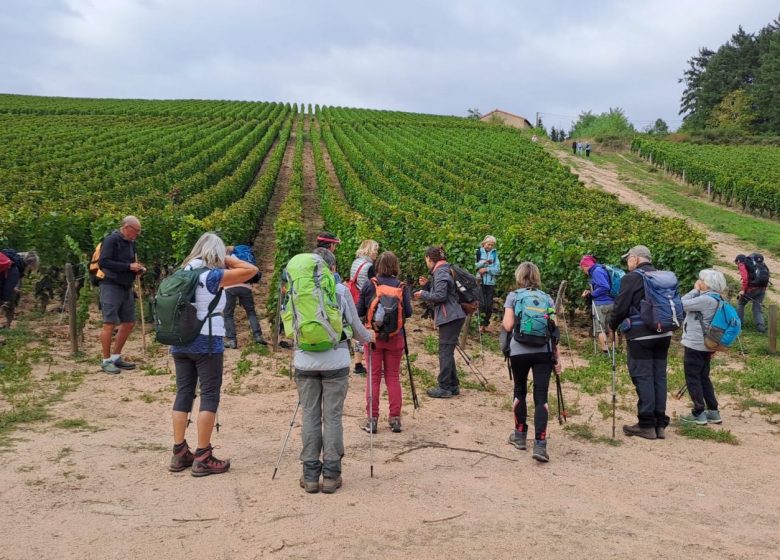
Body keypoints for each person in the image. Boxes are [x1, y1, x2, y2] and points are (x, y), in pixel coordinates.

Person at [168, 232, 259, 477]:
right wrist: (228, 258)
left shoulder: (181, 273)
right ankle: (203, 455)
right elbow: (251, 270)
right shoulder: (212, 276)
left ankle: (179, 451)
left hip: (179, 340)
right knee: (209, 394)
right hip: (206, 340)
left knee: (184, 392)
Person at [295, 247, 374, 494]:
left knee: (309, 416)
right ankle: (330, 475)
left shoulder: (298, 291)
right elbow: (356, 325)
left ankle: (309, 475)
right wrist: (369, 338)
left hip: (305, 363)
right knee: (332, 417)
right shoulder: (339, 290)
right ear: (332, 268)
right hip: (336, 363)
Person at [609, 245, 671, 440]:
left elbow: (621, 306)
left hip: (641, 334)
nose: (628, 263)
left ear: (636, 259)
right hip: (664, 333)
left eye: (628, 259)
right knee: (658, 376)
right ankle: (659, 424)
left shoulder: (632, 278)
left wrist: (611, 326)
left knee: (643, 376)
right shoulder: (663, 277)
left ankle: (646, 424)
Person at [501, 262, 558, 462]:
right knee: (541, 397)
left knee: (519, 390)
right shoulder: (547, 298)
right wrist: (556, 358)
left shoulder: (514, 296)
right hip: (543, 351)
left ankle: (520, 436)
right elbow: (553, 330)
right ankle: (540, 445)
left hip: (519, 351)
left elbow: (508, 325)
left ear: (519, 277)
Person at [357, 251, 413, 434]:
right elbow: (409, 313)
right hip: (395, 338)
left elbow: (359, 310)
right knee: (393, 377)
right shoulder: (402, 287)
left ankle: (372, 419)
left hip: (373, 338)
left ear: (378, 266)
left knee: (373, 377)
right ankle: (395, 419)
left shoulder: (370, 285)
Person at [413, 246, 466, 399]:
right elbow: (444, 291)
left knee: (445, 351)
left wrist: (423, 293)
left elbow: (441, 296)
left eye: (426, 260)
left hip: (450, 316)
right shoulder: (444, 269)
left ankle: (444, 387)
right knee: (447, 349)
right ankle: (453, 384)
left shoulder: (440, 271)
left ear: (430, 259)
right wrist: (427, 286)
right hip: (453, 315)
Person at [680, 269, 728, 426]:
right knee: (703, 377)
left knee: (692, 377)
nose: (699, 281)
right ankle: (713, 412)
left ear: (706, 284)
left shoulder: (705, 300)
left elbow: (681, 303)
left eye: (701, 279)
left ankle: (698, 413)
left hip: (695, 344)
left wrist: (695, 289)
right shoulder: (719, 298)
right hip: (708, 344)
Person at [98, 216, 145, 375]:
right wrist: (128, 266)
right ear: (126, 227)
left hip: (126, 287)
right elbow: (104, 262)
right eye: (136, 231)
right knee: (109, 323)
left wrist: (138, 269)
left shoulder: (131, 243)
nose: (137, 234)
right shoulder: (111, 240)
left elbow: (130, 263)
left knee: (129, 322)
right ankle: (105, 361)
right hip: (111, 285)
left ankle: (116, 357)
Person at [223, 246, 266, 349]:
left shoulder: (226, 258)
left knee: (228, 314)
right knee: (251, 312)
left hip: (229, 287)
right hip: (245, 286)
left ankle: (231, 340)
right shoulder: (243, 257)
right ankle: (258, 336)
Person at [348, 239, 378, 375]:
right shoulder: (369, 267)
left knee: (357, 331)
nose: (376, 253)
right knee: (366, 331)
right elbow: (373, 285)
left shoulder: (356, 262)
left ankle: (358, 363)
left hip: (354, 300)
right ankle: (367, 364)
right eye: (375, 250)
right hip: (365, 302)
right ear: (369, 250)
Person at [579, 255, 614, 354]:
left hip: (601, 304)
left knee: (600, 329)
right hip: (611, 302)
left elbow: (604, 287)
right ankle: (616, 350)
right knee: (612, 327)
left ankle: (606, 353)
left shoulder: (596, 272)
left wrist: (592, 294)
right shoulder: (602, 269)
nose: (583, 270)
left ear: (586, 266)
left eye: (582, 268)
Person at [0, 249, 40, 328]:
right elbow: (7, 290)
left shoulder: (11, 259)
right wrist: (3, 300)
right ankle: (7, 326)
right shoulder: (15, 269)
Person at [735, 254, 767, 333]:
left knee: (741, 304)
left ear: (738, 260)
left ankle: (738, 325)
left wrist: (743, 290)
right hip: (762, 288)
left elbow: (745, 278)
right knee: (757, 308)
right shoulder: (761, 264)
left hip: (751, 289)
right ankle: (761, 328)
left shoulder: (742, 264)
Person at [475, 235, 501, 333]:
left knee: (489, 305)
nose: (489, 246)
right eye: (488, 244)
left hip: (490, 282)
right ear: (484, 243)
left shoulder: (494, 254)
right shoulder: (477, 252)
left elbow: (497, 270)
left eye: (492, 245)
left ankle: (485, 324)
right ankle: (480, 325)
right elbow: (474, 265)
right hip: (479, 281)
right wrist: (483, 263)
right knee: (481, 304)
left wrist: (486, 269)